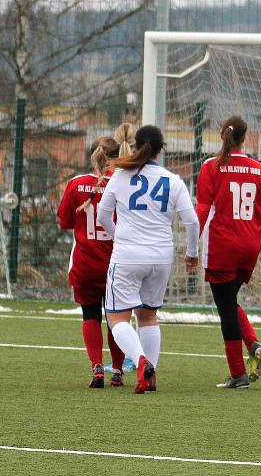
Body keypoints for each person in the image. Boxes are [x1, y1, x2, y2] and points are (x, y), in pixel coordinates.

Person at [97, 125, 200, 393]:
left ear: (135, 145)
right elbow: (191, 221)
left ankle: (141, 361)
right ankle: (151, 373)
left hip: (129, 255)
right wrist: (192, 253)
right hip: (161, 257)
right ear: (161, 149)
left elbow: (103, 215)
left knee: (117, 319)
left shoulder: (120, 176)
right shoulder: (173, 180)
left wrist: (119, 238)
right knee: (148, 316)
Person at [196, 116, 261, 389]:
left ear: (222, 135)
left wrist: (193, 248)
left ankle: (238, 372)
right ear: (245, 137)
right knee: (229, 300)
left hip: (222, 245)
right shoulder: (258, 169)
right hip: (249, 245)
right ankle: (252, 342)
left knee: (225, 308)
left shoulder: (211, 166)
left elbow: (202, 210)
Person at [56, 123, 134, 388]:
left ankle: (97, 367)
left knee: (90, 315)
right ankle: (119, 371)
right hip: (117, 263)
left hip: (85, 262)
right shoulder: (125, 185)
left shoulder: (76, 184)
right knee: (117, 319)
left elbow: (65, 220)